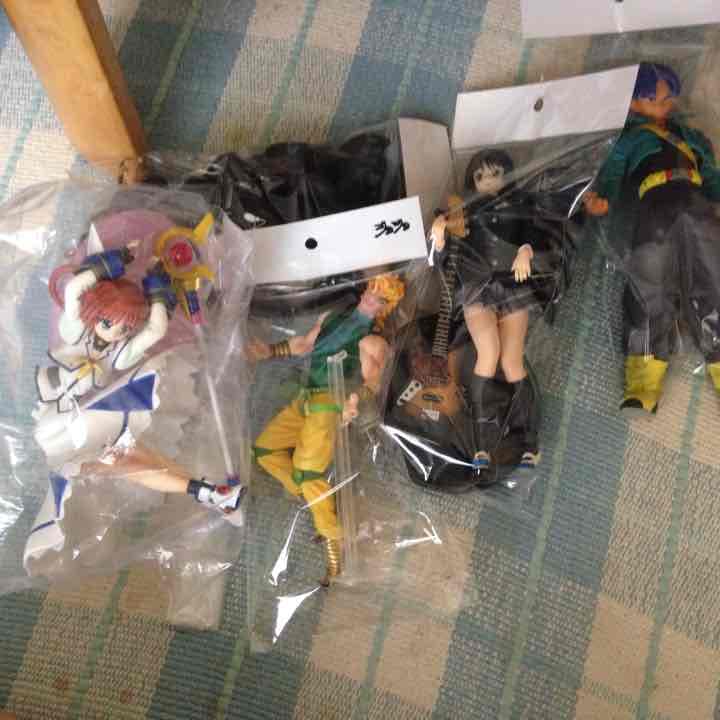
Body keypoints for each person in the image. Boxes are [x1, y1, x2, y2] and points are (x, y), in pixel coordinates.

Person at [26, 240, 242, 566]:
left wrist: (157, 289)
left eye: (125, 327)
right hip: (60, 424)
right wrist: (116, 260)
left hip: (90, 421)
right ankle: (211, 493)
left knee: (133, 462)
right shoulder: (74, 331)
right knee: (129, 462)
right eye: (109, 322)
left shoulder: (119, 352)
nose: (115, 332)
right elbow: (73, 289)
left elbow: (154, 330)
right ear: (95, 312)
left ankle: (210, 493)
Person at [584, 62, 720, 414]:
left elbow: (710, 174)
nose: (665, 104)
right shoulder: (629, 140)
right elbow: (612, 174)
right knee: (648, 285)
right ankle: (643, 378)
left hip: (696, 203)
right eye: (655, 98)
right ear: (633, 102)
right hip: (654, 206)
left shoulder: (691, 137)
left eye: (668, 98)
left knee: (712, 276)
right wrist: (603, 199)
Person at [250, 274, 405, 578]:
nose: (371, 296)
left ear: (386, 307)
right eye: (371, 288)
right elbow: (304, 344)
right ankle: (317, 500)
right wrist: (270, 351)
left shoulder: (372, 341)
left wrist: (354, 401)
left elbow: (374, 383)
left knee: (308, 471)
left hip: (330, 402)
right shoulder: (332, 317)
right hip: (305, 396)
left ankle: (334, 537)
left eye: (380, 297)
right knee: (265, 450)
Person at [430, 149, 566, 471]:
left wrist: (525, 251)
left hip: (513, 288)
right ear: (471, 181)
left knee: (512, 362)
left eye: (495, 174)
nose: (488, 181)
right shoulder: (462, 212)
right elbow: (440, 262)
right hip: (477, 290)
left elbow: (536, 236)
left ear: (508, 174)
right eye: (480, 176)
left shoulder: (521, 207)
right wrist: (438, 236)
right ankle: (481, 443)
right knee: (488, 355)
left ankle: (530, 443)